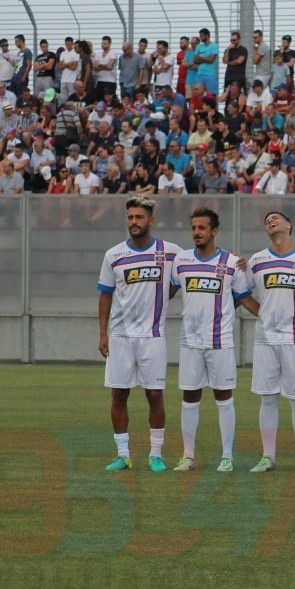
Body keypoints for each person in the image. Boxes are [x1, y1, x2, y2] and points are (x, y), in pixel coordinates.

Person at [97, 196, 183, 472]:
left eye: (139, 217)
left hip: (152, 337)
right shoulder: (113, 255)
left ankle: (155, 454)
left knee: (155, 395)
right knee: (119, 395)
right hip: (120, 336)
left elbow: (193, 266)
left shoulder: (170, 252)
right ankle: (123, 455)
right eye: (130, 217)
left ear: (151, 221)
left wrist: (237, 261)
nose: (134, 222)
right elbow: (105, 295)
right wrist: (103, 333)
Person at [170, 207, 257, 472]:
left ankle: (227, 456)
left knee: (223, 394)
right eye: (194, 227)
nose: (196, 232)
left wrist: (272, 316)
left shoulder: (232, 263)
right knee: (190, 394)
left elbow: (243, 299)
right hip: (190, 342)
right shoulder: (181, 261)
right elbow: (170, 290)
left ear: (214, 231)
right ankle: (188, 456)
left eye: (202, 228)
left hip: (220, 341)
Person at [242, 212, 295, 473]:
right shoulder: (256, 261)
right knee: (267, 400)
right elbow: (243, 293)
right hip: (265, 341)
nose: (270, 221)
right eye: (266, 219)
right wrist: (264, 313)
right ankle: (268, 456)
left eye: (276, 218)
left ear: (289, 225)